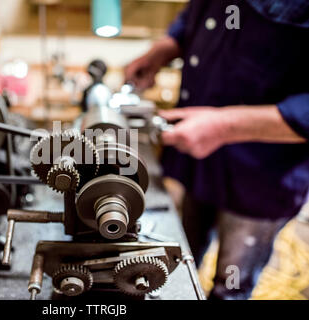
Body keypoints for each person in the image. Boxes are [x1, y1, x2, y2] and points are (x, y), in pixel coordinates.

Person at [125, 0, 309, 299]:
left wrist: (225, 127)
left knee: (230, 283)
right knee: (178, 261)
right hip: (200, 163)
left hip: (262, 174)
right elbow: (200, 12)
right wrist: (167, 47)